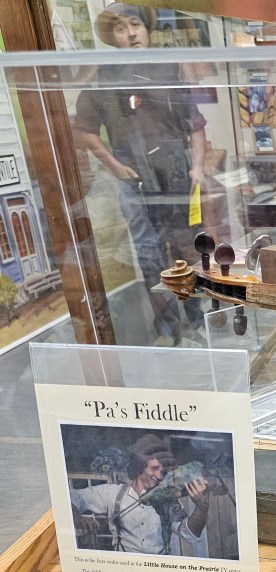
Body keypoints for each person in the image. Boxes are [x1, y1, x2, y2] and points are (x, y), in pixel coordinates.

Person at [74, 3, 207, 345]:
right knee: (149, 252)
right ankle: (169, 330)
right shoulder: (104, 75)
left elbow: (195, 124)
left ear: (146, 28)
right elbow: (85, 129)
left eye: (135, 24)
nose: (132, 33)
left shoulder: (169, 67)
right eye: (121, 29)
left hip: (175, 170)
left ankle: (200, 321)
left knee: (187, 248)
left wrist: (197, 167)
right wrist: (112, 164)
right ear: (112, 38)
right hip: (132, 175)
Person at [70, 439, 209, 555]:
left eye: (162, 471)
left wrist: (201, 506)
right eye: (154, 469)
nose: (159, 476)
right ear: (140, 467)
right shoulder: (113, 494)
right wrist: (77, 517)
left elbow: (190, 534)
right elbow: (73, 497)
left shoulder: (166, 500)